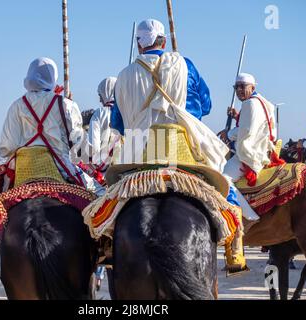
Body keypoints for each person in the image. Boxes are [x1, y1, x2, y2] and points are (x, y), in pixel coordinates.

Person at [111, 18, 228, 173]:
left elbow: (117, 123)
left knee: (112, 194)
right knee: (225, 190)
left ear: (138, 44)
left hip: (138, 153)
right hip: (182, 150)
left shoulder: (123, 76)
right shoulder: (185, 65)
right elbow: (206, 106)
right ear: (164, 42)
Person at [0, 57, 104, 195]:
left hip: (23, 168)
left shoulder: (16, 106)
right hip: (60, 165)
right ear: (53, 77)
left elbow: (6, 148)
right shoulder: (65, 104)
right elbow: (78, 146)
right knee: (99, 194)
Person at [220, 73, 283, 272]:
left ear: (253, 86)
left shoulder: (249, 104)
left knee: (222, 179)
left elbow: (247, 134)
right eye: (236, 86)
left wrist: (228, 135)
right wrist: (237, 117)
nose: (239, 90)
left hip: (250, 155)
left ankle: (246, 216)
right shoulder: (264, 102)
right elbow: (255, 126)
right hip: (265, 151)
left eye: (243, 86)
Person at [88, 77, 120, 174]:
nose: (100, 100)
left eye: (100, 95)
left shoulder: (100, 113)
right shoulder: (127, 112)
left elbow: (93, 147)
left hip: (105, 173)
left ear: (106, 93)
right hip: (127, 170)